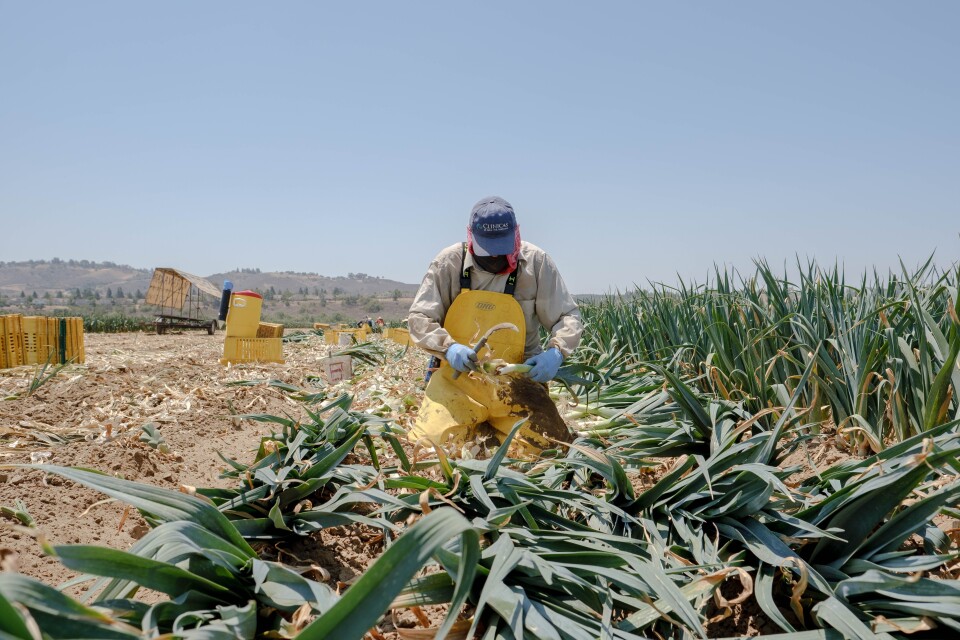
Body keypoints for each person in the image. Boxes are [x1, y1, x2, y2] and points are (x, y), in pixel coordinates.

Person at [407, 196, 582, 453]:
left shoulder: (537, 263)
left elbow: (568, 316)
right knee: (430, 448)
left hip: (517, 380)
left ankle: (492, 428)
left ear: (517, 235)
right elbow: (419, 318)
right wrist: (449, 348)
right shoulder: (448, 263)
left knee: (548, 448)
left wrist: (556, 352)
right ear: (470, 237)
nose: (495, 257)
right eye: (486, 250)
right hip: (459, 379)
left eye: (502, 248)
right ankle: (479, 427)